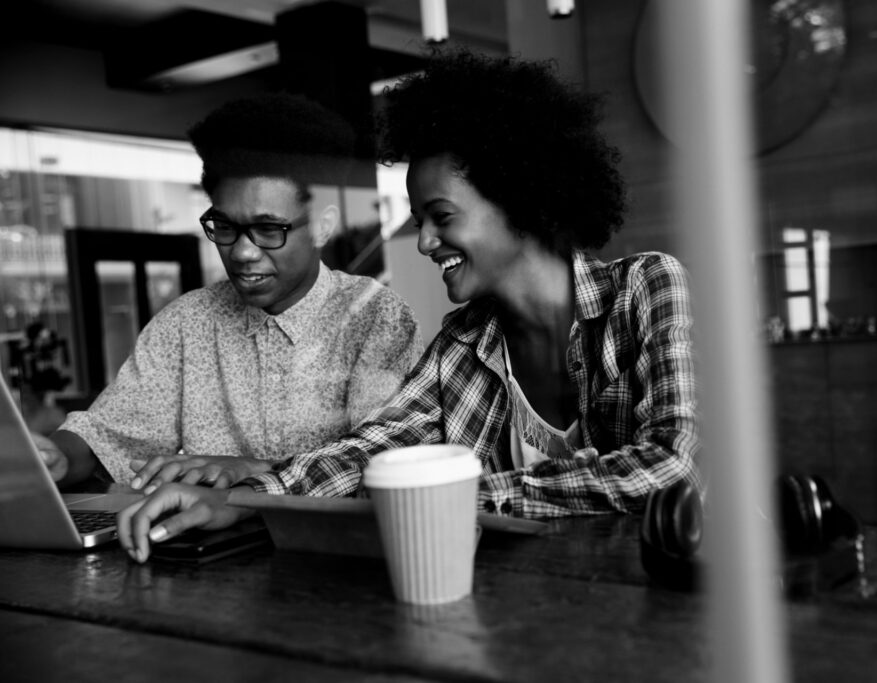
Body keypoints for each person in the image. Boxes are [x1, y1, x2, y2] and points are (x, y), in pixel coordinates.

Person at [119, 50, 701, 563]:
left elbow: (668, 468)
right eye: (419, 222)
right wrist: (241, 501)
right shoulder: (461, 344)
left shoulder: (645, 288)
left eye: (441, 218)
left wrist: (462, 494)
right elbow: (375, 450)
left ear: (522, 199)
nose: (423, 243)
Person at [34, 92, 423, 492]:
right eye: (225, 227)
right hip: (205, 550)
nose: (242, 252)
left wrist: (255, 471)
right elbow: (107, 435)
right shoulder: (186, 324)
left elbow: (383, 466)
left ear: (323, 227)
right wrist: (55, 456)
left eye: (269, 229)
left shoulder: (375, 319)